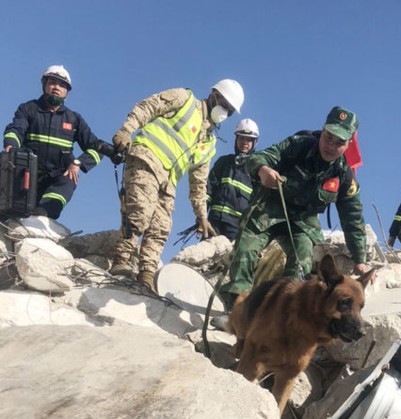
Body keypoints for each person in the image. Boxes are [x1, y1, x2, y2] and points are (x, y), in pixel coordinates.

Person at [219, 106, 370, 310]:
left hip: (302, 221)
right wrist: (262, 170)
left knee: (302, 259)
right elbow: (259, 158)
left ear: (349, 143)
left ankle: (282, 310)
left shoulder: (344, 176)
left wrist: (360, 259)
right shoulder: (299, 145)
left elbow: (353, 219)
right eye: (328, 137)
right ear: (322, 131)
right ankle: (236, 307)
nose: (331, 145)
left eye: (339, 142)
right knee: (245, 249)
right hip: (270, 208)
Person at [109, 79, 245, 292]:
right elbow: (149, 106)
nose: (225, 112)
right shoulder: (185, 99)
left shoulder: (208, 143)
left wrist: (202, 217)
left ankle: (146, 274)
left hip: (168, 182)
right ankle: (121, 259)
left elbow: (199, 183)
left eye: (229, 110)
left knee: (161, 228)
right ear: (214, 95)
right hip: (146, 158)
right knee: (140, 213)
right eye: (225, 104)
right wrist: (127, 130)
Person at [2, 65, 104, 219]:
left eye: (62, 85)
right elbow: (16, 129)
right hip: (27, 174)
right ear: (44, 85)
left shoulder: (74, 119)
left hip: (56, 176)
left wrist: (78, 163)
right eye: (52, 82)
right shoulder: (28, 109)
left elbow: (97, 147)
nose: (57, 87)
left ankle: (42, 217)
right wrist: (11, 143)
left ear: (67, 92)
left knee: (69, 179)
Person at [205, 118, 260, 241]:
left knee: (229, 260)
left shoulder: (257, 170)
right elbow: (208, 191)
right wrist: (201, 217)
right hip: (214, 223)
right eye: (241, 138)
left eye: (249, 139)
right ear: (236, 139)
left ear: (254, 142)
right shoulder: (223, 162)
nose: (245, 142)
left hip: (237, 228)